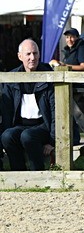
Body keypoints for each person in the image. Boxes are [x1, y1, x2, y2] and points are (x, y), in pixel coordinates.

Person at [2, 39, 54, 171]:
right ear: (20, 56)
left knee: (28, 136)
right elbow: (7, 113)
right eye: (28, 54)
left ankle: (38, 173)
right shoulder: (11, 79)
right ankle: (18, 173)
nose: (32, 58)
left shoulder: (50, 77)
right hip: (21, 125)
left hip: (44, 126)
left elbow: (57, 113)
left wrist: (52, 142)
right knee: (7, 136)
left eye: (35, 53)